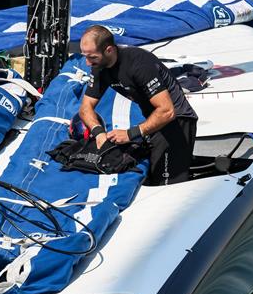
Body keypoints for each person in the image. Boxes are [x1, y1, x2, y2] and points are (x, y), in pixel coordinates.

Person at [78, 25, 199, 185]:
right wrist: (99, 132)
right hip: (152, 121)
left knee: (164, 184)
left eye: (92, 57)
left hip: (177, 122)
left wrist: (130, 133)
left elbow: (167, 111)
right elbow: (85, 108)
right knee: (146, 175)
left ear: (109, 50)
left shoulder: (139, 64)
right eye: (85, 56)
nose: (87, 63)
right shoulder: (99, 67)